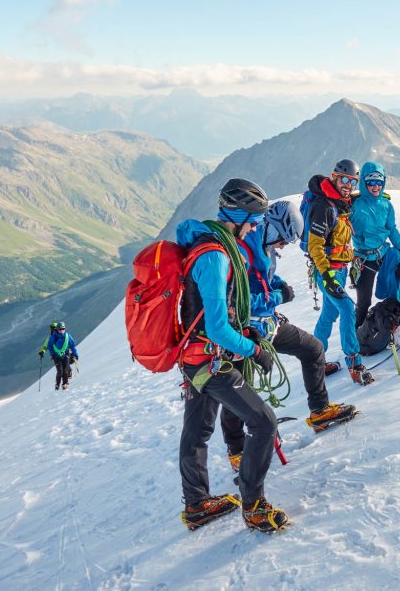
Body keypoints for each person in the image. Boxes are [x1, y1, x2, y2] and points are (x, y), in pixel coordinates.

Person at [175, 178, 288, 533]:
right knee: (263, 422)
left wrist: (248, 332)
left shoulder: (214, 248)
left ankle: (196, 506)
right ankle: (253, 506)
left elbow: (223, 318)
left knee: (197, 431)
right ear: (237, 215)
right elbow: (219, 328)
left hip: (195, 358)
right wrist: (253, 349)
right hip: (209, 359)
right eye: (252, 219)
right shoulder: (214, 257)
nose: (255, 226)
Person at [231, 199, 357, 441]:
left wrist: (278, 284)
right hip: (245, 329)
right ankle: (237, 449)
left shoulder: (264, 246)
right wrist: (278, 296)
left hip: (266, 324)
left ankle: (320, 411)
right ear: (275, 227)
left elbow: (266, 275)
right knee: (240, 386)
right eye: (283, 240)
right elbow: (239, 300)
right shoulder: (243, 250)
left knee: (313, 348)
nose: (283, 246)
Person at [306, 159, 374, 385]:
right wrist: (326, 275)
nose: (348, 185)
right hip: (328, 270)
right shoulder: (324, 207)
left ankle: (315, 361)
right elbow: (314, 246)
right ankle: (354, 362)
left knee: (329, 314)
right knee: (346, 308)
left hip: (341, 269)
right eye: (344, 179)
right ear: (334, 177)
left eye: (352, 181)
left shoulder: (340, 203)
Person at [351, 162, 400, 328]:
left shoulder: (386, 204)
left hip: (385, 254)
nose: (376, 186)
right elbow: (339, 227)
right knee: (364, 301)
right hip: (363, 258)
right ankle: (358, 337)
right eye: (371, 181)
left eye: (379, 181)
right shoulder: (353, 205)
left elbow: (391, 229)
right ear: (363, 182)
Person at [39, 321, 78, 390]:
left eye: (63, 329)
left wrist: (75, 354)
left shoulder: (66, 336)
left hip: (65, 354)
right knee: (61, 370)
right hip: (57, 356)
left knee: (65, 369)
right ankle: (58, 384)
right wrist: (44, 352)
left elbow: (72, 345)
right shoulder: (52, 337)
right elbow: (47, 346)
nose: (61, 330)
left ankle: (65, 383)